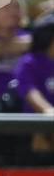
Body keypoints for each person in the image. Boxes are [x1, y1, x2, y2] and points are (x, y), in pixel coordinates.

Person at [15, 13, 54, 155]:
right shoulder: (30, 62)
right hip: (38, 124)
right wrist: (49, 111)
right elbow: (30, 92)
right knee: (43, 133)